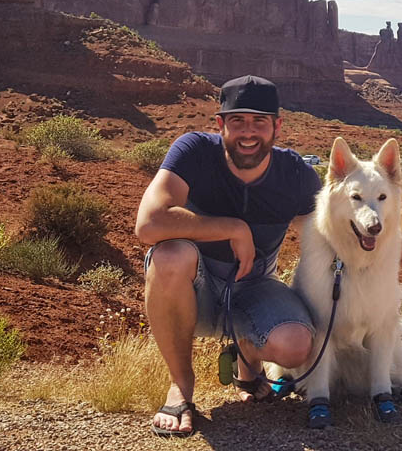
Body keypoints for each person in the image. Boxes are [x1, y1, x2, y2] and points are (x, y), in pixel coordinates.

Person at [135, 75, 321, 437]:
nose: (248, 133)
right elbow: (148, 224)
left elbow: (328, 231)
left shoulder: (295, 173)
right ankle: (182, 386)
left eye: (259, 122)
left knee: (296, 346)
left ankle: (248, 364)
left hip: (253, 287)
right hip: (196, 289)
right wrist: (233, 228)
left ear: (277, 127)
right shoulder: (194, 152)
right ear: (219, 124)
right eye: (237, 121)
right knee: (170, 255)